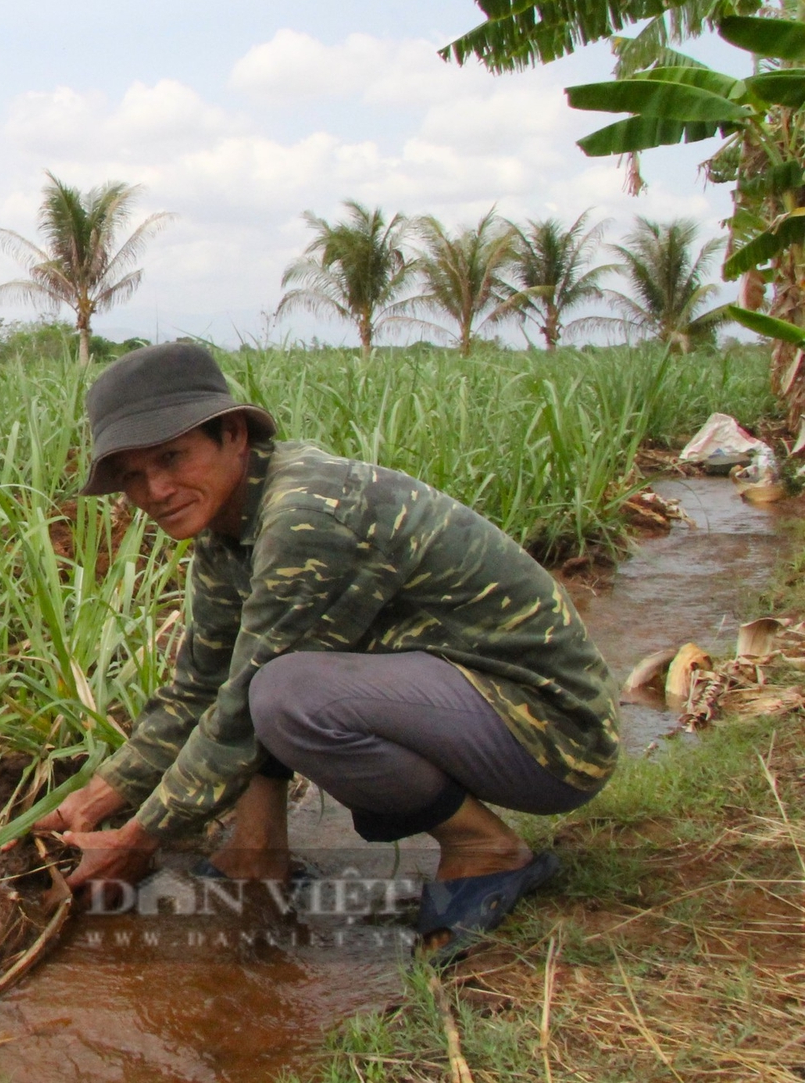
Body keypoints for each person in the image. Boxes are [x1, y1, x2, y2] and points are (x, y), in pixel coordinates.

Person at [33, 342, 619, 959]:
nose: (155, 490)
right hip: (468, 702)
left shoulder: (304, 517)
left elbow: (241, 710)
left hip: (553, 733)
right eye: (131, 475)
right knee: (264, 681)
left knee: (287, 693)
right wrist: (98, 794)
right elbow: (199, 688)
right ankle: (257, 856)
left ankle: (486, 850)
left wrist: (138, 840)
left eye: (172, 457)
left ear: (233, 434)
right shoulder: (228, 527)